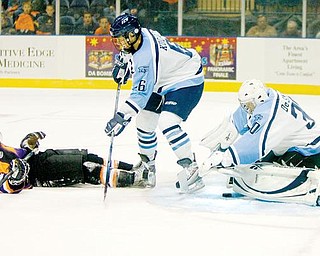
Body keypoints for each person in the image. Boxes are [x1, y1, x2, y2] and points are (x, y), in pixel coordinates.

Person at [105, 13, 205, 193]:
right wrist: (126, 66)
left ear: (132, 35)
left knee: (167, 122)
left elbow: (140, 95)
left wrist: (121, 116)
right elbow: (132, 58)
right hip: (162, 80)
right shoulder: (139, 36)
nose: (119, 44)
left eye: (121, 39)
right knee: (144, 122)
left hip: (186, 78)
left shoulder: (146, 57)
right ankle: (147, 167)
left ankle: (192, 168)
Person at [200, 79, 320, 206]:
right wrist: (218, 149)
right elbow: (237, 122)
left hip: (311, 148)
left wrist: (225, 158)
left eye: (249, 105)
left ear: (259, 98)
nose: (247, 109)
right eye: (245, 105)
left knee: (281, 165)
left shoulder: (270, 111)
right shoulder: (266, 98)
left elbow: (255, 144)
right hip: (293, 146)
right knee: (260, 163)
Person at [0, 131, 152, 194]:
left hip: (41, 158)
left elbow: (19, 154)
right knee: (88, 169)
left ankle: (132, 168)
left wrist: (28, 144)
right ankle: (136, 179)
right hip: (39, 174)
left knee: (91, 158)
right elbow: (7, 187)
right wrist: (17, 177)